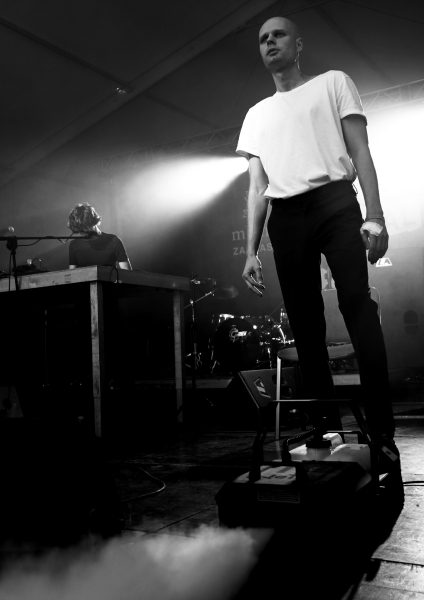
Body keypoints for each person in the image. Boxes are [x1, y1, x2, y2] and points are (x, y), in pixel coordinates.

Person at [237, 16, 396, 451]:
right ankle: (325, 428)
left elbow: (360, 149)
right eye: (263, 39)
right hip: (286, 216)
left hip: (335, 202)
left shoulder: (332, 82)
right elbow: (256, 188)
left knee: (357, 306)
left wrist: (376, 215)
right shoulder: (256, 114)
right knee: (305, 324)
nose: (270, 42)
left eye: (278, 35)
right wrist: (250, 251)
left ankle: (381, 429)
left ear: (298, 44)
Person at [67, 203, 131, 270]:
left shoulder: (113, 240)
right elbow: (72, 273)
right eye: (79, 230)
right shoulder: (74, 244)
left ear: (93, 221)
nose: (82, 233)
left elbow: (127, 271)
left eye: (85, 228)